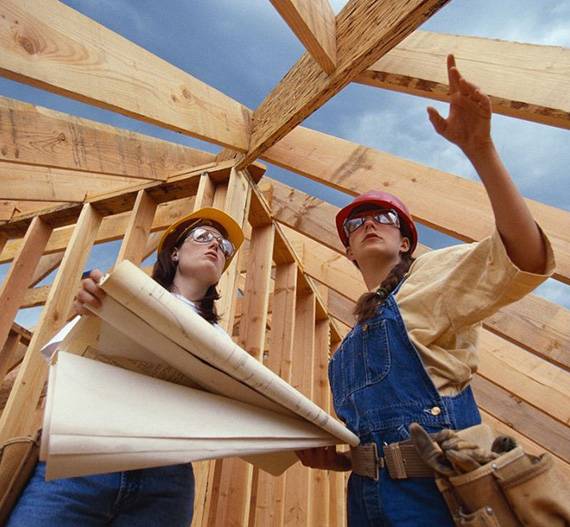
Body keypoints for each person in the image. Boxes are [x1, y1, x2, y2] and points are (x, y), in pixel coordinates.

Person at [296, 55, 555, 526]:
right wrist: (332, 457)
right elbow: (371, 439)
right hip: (368, 504)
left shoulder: (433, 277)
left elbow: (526, 256)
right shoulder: (347, 343)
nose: (369, 222)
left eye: (384, 218)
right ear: (350, 252)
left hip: (439, 498)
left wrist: (481, 151)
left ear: (406, 241)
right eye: (357, 223)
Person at [7, 207, 244, 527]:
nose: (216, 246)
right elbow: (61, 364)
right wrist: (88, 315)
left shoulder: (221, 341)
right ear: (174, 253)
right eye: (203, 237)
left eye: (224, 246)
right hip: (83, 459)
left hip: (166, 482)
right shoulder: (120, 297)